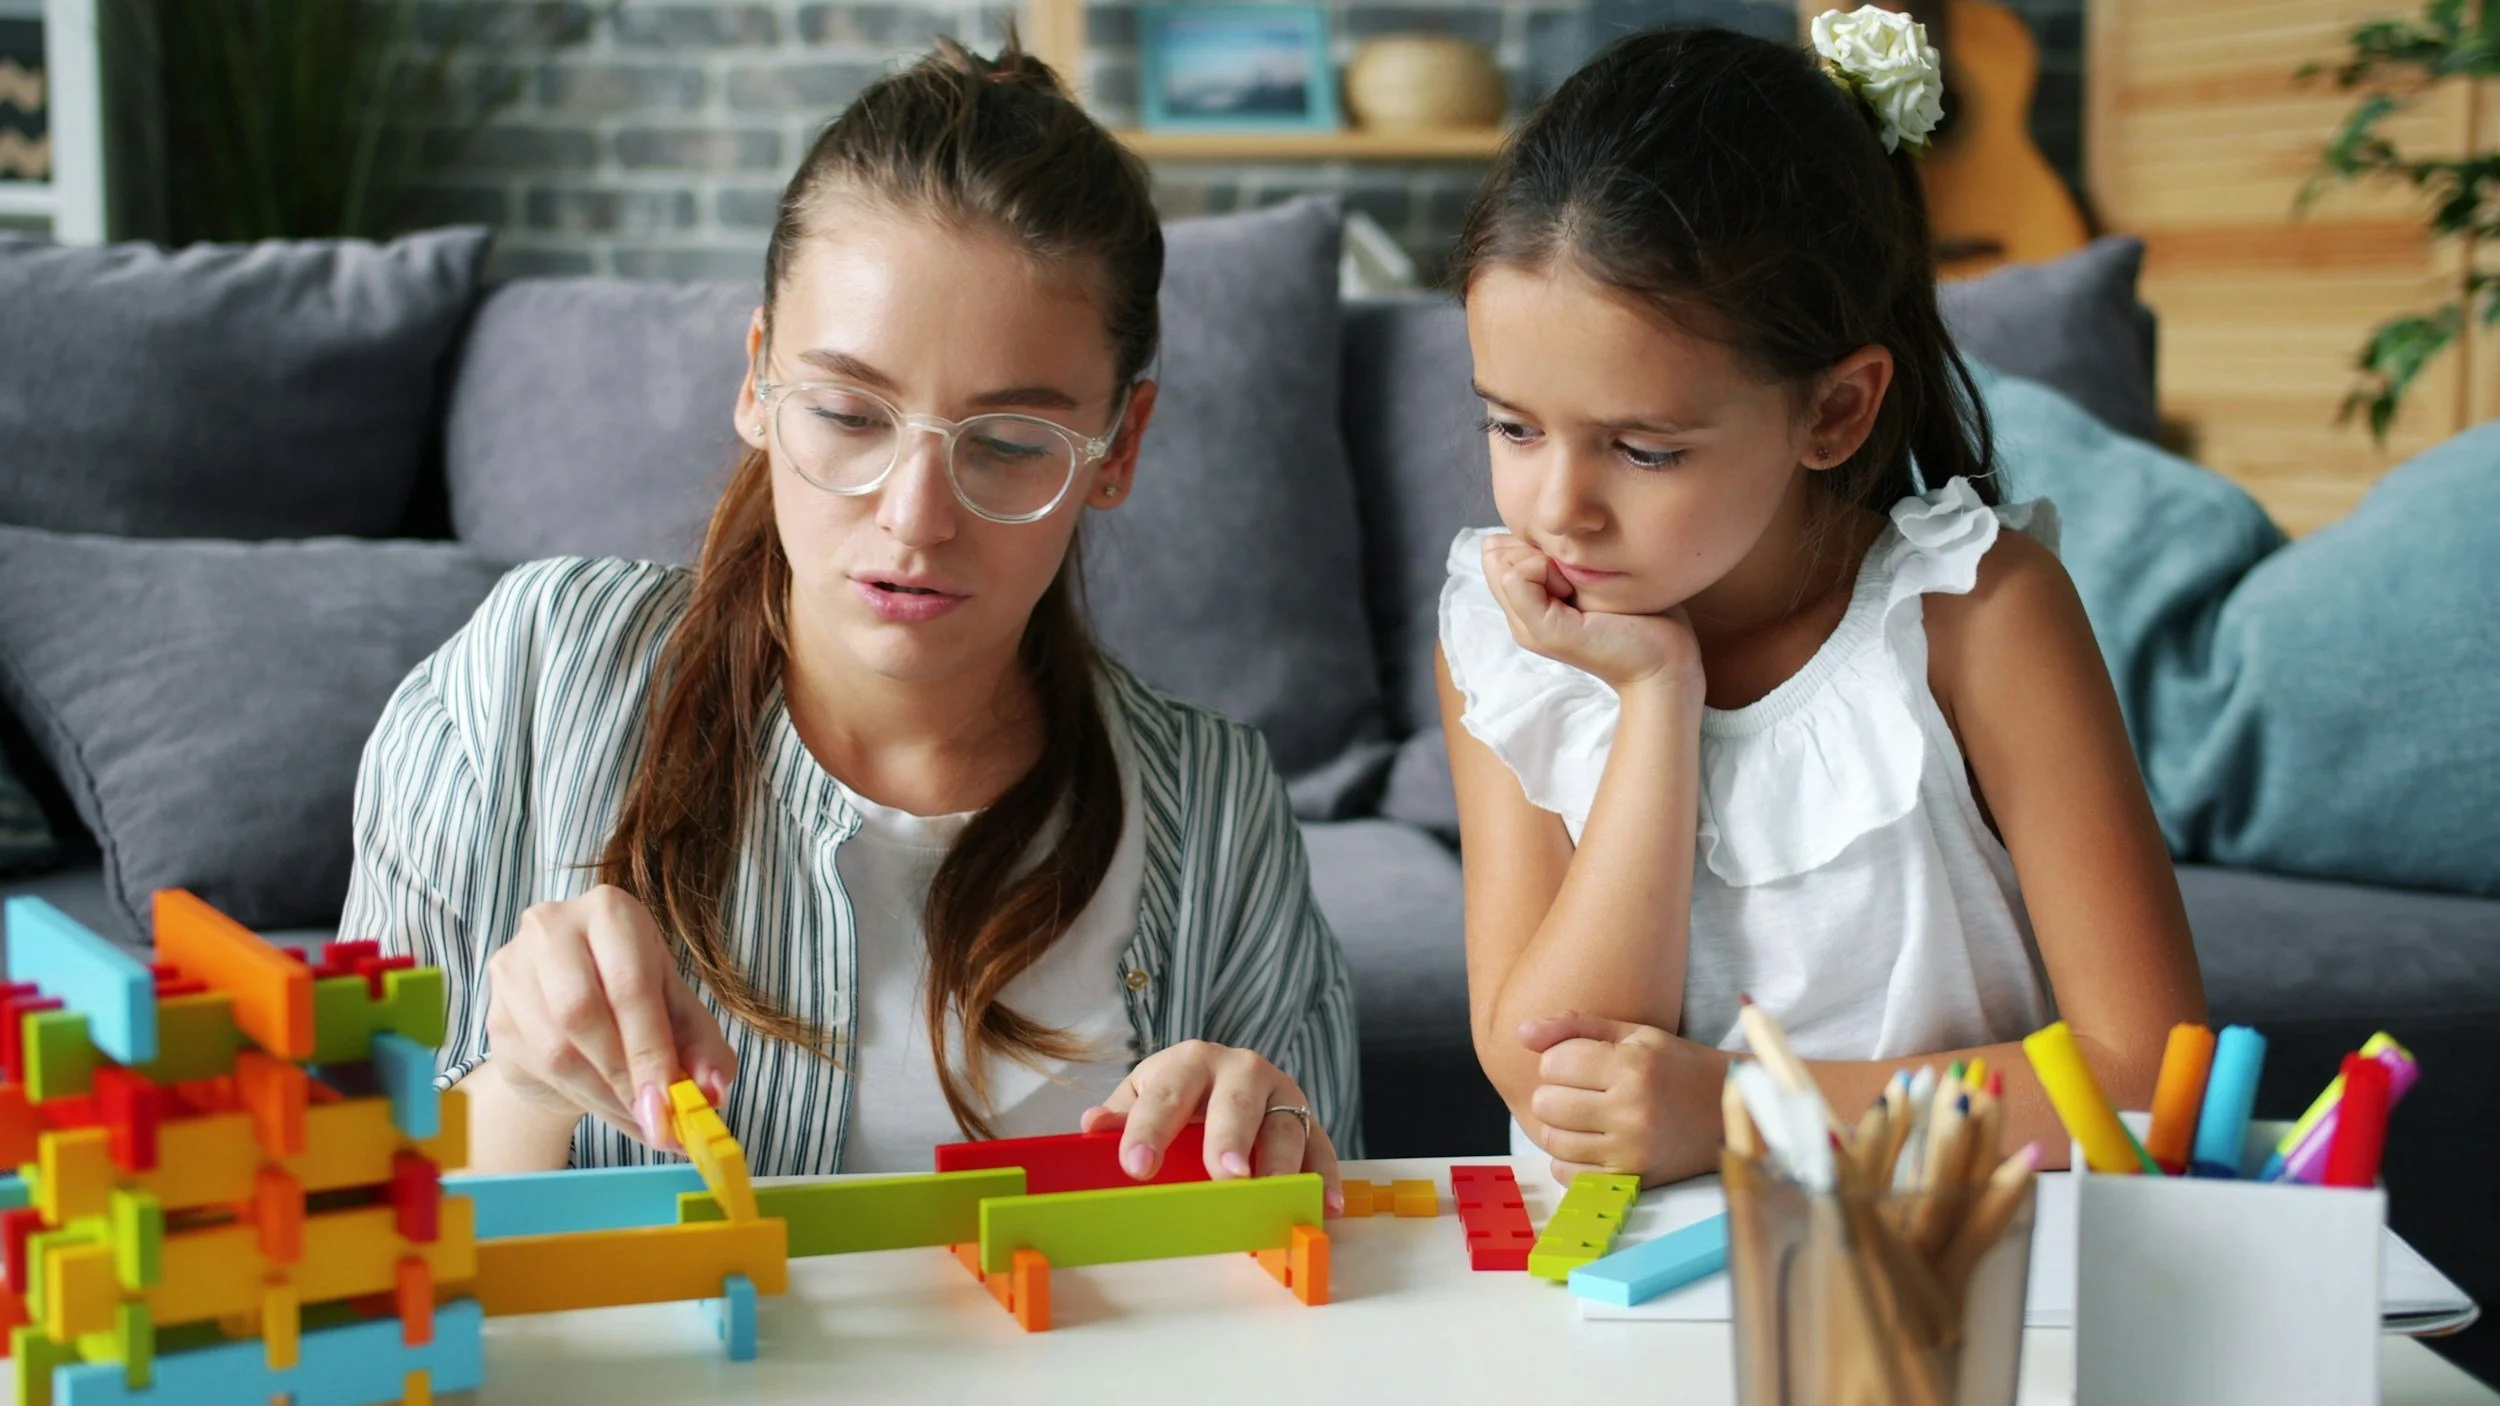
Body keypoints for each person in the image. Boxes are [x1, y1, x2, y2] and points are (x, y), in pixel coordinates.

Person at [341, 38, 1357, 1203]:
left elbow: (1345, 1261)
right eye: (848, 413)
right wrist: (520, 1088)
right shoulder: (528, 674)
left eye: (1013, 443)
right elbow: (341, 1199)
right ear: (759, 382)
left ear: (1117, 448)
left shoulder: (1217, 804)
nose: (916, 520)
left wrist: (1274, 1148)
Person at [1437, 15, 2205, 1185]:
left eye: (1642, 449)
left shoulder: (1972, 615)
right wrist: (1654, 695)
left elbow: (2152, 1074)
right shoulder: (1507, 635)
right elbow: (1552, 1073)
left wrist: (1748, 1109)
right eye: (1511, 425)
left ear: (1834, 411)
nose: (1558, 507)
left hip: (1934, 1278)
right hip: (1615, 1305)